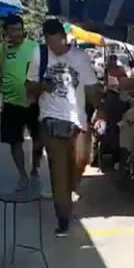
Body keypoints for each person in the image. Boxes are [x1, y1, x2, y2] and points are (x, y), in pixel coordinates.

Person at [26, 19, 101, 237]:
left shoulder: (80, 57)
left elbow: (92, 88)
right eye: (50, 43)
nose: (54, 48)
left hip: (77, 121)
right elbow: (29, 86)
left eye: (57, 42)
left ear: (64, 37)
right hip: (50, 119)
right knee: (59, 170)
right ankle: (63, 218)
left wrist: (101, 110)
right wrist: (42, 86)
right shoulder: (39, 55)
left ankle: (67, 193)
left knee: (80, 161)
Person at [0, 14, 42, 190]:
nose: (17, 33)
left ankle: (35, 167)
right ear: (6, 32)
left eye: (19, 29)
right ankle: (22, 175)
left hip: (33, 101)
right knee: (15, 141)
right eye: (13, 30)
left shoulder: (33, 47)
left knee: (38, 139)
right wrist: (2, 50)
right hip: (11, 102)